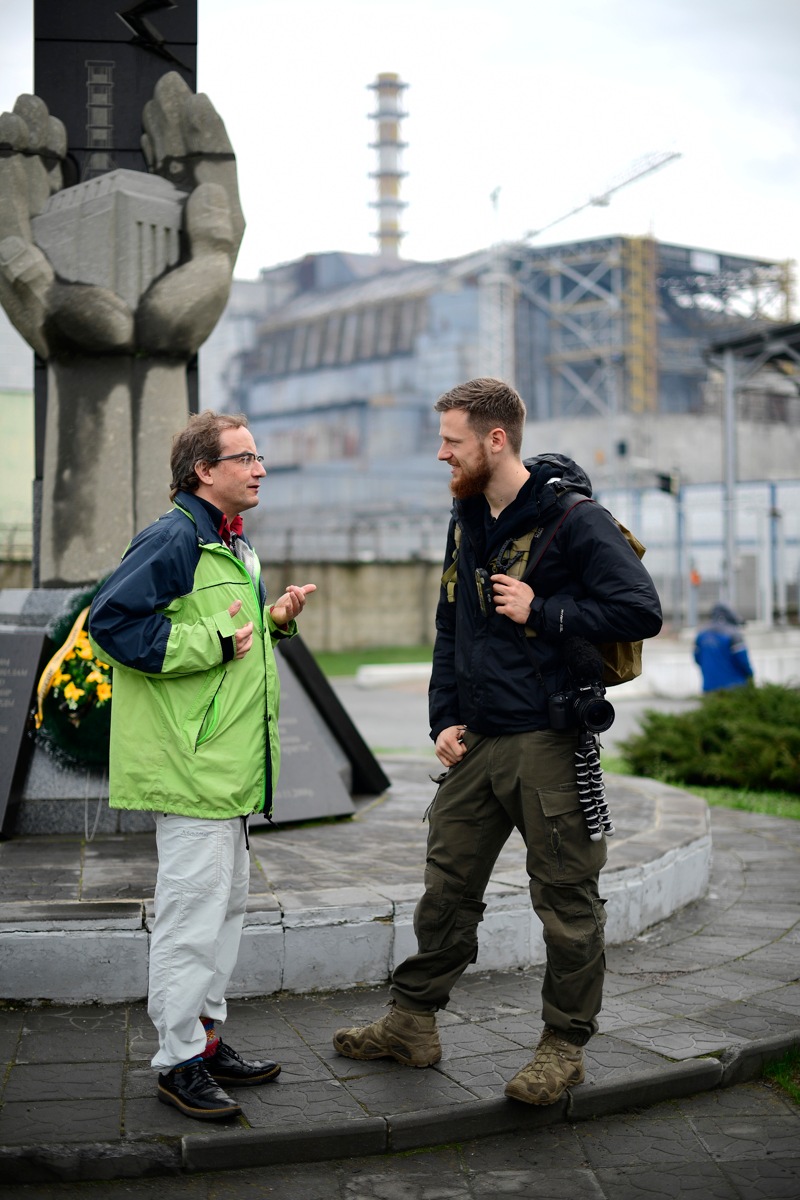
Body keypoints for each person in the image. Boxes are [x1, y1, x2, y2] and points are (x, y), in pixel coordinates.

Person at [332, 378, 662, 1105]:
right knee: (445, 893)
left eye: (452, 441)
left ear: (495, 439)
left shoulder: (576, 520)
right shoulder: (469, 518)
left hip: (549, 739)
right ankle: (411, 1023)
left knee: (567, 902)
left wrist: (545, 610)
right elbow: (452, 626)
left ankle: (563, 1047)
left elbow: (640, 609)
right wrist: (442, 719)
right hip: (477, 742)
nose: (441, 454)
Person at [89, 410, 315, 1122]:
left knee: (223, 916)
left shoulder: (230, 546)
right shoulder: (174, 537)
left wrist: (272, 620)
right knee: (192, 921)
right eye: (244, 457)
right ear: (203, 472)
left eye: (258, 456)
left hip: (227, 774)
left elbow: (235, 643)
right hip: (194, 775)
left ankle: (206, 1040)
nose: (259, 468)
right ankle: (177, 1061)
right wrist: (217, 641)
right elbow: (112, 625)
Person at [694, 603, 754, 692]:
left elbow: (697, 658)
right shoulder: (734, 634)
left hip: (709, 687)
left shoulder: (701, 634)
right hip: (735, 687)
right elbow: (743, 661)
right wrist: (750, 676)